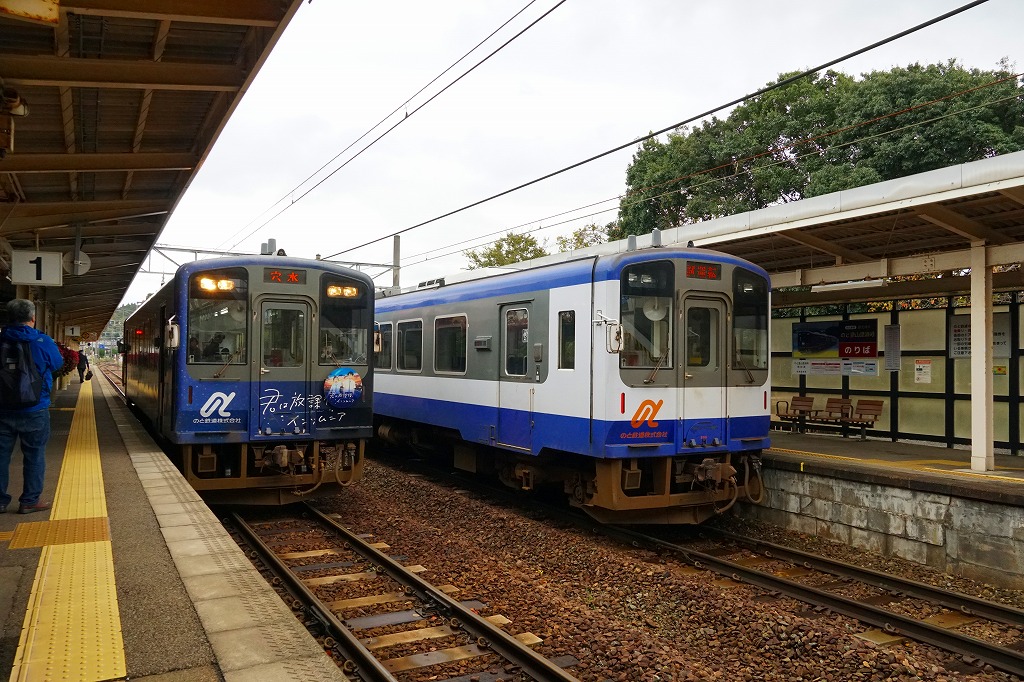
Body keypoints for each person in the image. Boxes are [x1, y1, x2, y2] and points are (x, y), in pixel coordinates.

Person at [0, 299, 64, 514]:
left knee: (1, 456)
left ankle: (0, 501)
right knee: (34, 454)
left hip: (2, 408)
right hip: (35, 408)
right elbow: (57, 364)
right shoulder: (42, 340)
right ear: (33, 318)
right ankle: (29, 500)